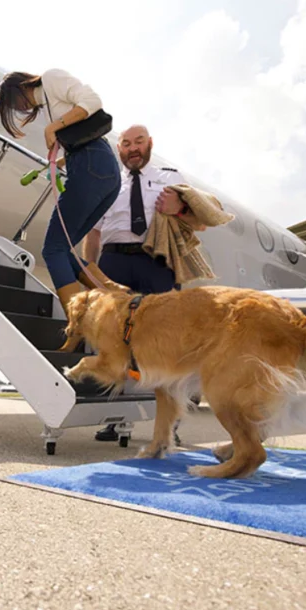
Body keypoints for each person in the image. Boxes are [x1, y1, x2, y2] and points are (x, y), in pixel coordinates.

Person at [83, 124, 204, 442]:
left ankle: (169, 423)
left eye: (138, 142)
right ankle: (112, 418)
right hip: (113, 262)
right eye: (126, 143)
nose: (132, 148)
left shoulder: (170, 175)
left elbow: (200, 219)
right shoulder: (106, 182)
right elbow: (92, 232)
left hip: (157, 263)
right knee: (113, 342)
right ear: (119, 148)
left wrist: (178, 208)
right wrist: (92, 275)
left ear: (149, 144)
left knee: (165, 343)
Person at [0, 69, 124, 329]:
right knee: (65, 252)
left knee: (52, 249)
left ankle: (77, 325)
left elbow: (92, 101)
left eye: (13, 102)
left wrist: (54, 127)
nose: (18, 108)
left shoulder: (51, 78)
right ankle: (121, 298)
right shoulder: (49, 104)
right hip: (103, 170)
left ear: (20, 87)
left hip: (91, 165)